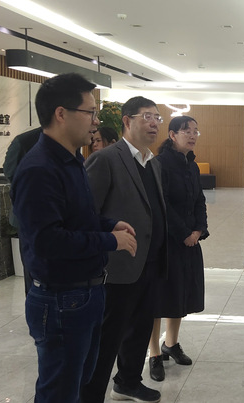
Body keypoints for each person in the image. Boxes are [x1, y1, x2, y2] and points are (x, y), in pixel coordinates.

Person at [11, 73, 137, 402]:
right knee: (60, 392)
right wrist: (110, 242)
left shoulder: (73, 160)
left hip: (85, 293)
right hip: (61, 300)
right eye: (90, 112)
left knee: (79, 384)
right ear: (61, 114)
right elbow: (48, 241)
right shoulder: (39, 169)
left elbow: (78, 218)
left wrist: (109, 224)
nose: (96, 121)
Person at [81, 97, 167, 403]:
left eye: (157, 117)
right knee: (107, 338)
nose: (154, 123)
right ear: (127, 121)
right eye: (147, 117)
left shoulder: (152, 162)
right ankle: (90, 395)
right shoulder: (106, 159)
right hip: (117, 266)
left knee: (141, 327)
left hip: (150, 262)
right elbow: (85, 215)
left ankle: (128, 381)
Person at [148, 115, 207, 382]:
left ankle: (170, 344)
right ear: (172, 135)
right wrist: (184, 233)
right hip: (166, 243)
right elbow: (162, 204)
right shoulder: (159, 164)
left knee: (180, 293)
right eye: (186, 131)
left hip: (189, 241)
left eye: (195, 131)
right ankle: (154, 354)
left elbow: (199, 201)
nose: (192, 135)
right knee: (159, 298)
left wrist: (198, 230)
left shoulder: (191, 166)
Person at [3, 126, 42, 296]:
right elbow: (10, 172)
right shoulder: (24, 141)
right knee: (32, 271)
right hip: (28, 217)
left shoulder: (68, 141)